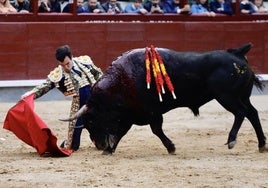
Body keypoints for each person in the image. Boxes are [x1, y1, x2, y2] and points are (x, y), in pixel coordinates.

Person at [20, 45, 103, 151]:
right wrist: (31, 94)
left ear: (71, 56)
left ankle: (96, 138)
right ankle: (68, 142)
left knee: (102, 145)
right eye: (62, 65)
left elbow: (99, 74)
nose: (66, 67)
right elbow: (45, 86)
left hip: (93, 104)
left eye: (68, 63)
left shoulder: (84, 62)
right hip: (78, 108)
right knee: (72, 146)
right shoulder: (58, 73)